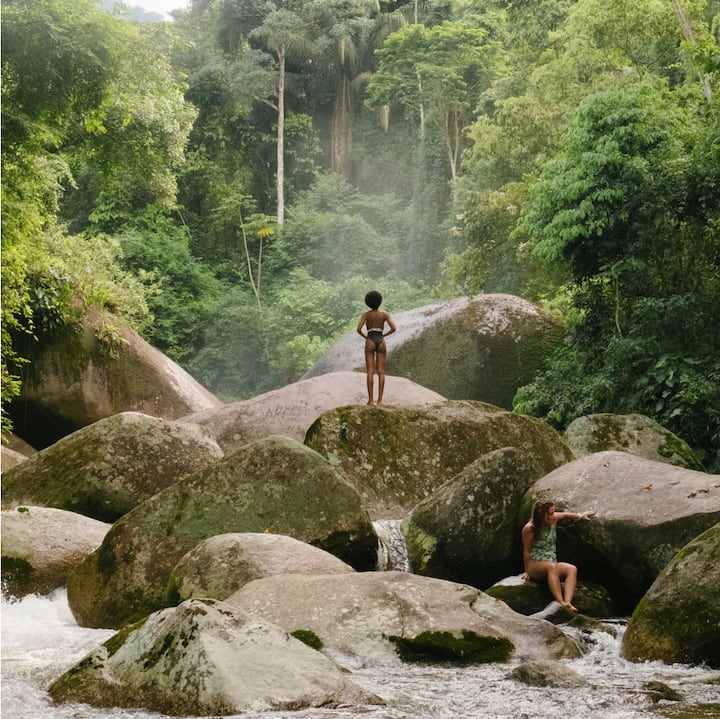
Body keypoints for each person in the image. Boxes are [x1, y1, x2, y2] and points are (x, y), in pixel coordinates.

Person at [519, 499, 595, 612]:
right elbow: (526, 551)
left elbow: (565, 514)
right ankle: (560, 603)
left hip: (551, 563)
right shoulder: (529, 529)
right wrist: (526, 571)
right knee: (551, 567)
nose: (553, 515)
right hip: (535, 564)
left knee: (572, 569)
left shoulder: (554, 519)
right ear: (541, 514)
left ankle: (568, 602)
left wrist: (581, 516)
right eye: (549, 513)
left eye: (553, 512)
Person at [356, 290, 396, 406]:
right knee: (381, 372)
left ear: (367, 302)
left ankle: (370, 400)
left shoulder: (366, 315)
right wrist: (384, 335)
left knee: (370, 371)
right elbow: (393, 328)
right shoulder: (384, 315)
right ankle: (380, 401)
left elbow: (358, 329)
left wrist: (366, 337)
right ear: (380, 301)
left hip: (370, 339)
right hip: (381, 340)